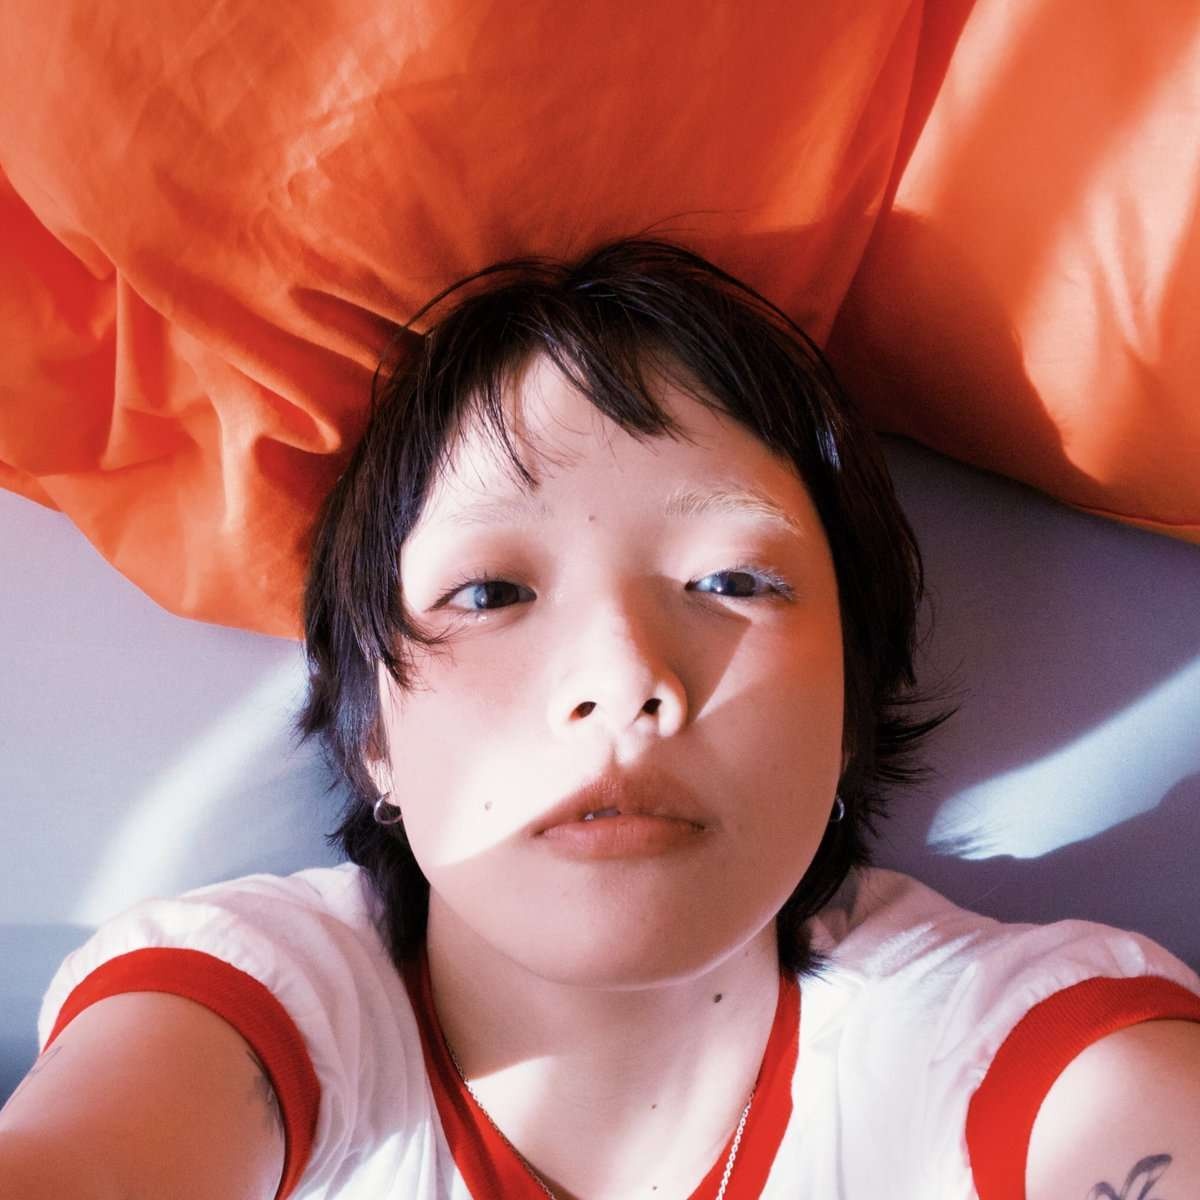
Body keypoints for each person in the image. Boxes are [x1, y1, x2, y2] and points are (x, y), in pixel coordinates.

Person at [1, 238, 1199, 1200]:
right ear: (373, 738)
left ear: (849, 712)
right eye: (491, 594)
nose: (624, 676)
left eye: (733, 580)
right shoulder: (260, 1010)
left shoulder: (983, 1044)